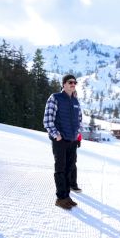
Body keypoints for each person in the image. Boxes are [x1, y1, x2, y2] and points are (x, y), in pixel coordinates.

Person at [43, 74, 82, 210]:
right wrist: (56, 135)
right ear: (64, 84)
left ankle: (67, 196)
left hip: (72, 140)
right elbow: (47, 120)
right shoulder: (55, 98)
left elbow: (79, 120)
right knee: (60, 169)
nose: (73, 84)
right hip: (60, 140)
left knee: (69, 169)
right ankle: (60, 198)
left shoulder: (75, 101)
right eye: (70, 82)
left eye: (74, 82)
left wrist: (77, 134)